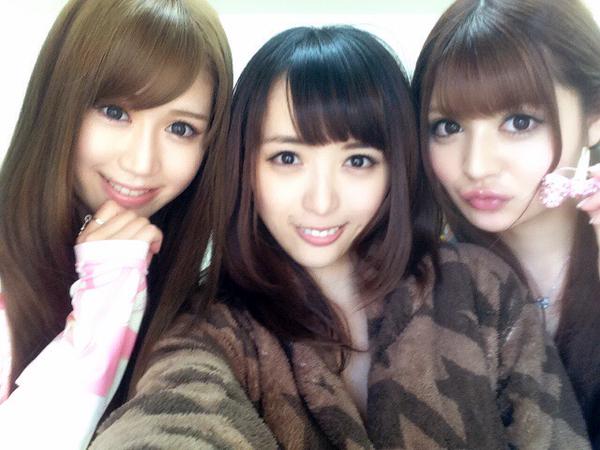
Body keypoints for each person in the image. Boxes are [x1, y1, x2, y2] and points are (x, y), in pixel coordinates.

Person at [92, 25, 589, 449]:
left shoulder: (480, 288)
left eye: (357, 161)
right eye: (288, 158)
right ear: (245, 166)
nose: (322, 201)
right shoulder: (212, 328)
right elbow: (170, 421)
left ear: (395, 167)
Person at [0, 0, 231, 447]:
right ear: (59, 101)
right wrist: (108, 291)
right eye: (115, 112)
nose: (141, 163)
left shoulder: (197, 303)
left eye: (180, 129)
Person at [411, 0, 600, 446]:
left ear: (594, 119)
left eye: (519, 122)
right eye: (448, 127)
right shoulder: (422, 282)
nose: (476, 165)